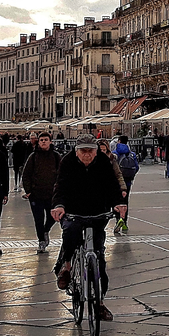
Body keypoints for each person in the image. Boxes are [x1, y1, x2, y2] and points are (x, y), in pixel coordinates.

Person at [51, 137, 126, 321]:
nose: (87, 155)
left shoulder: (103, 162)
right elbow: (60, 186)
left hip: (97, 212)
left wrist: (118, 203)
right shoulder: (67, 162)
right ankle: (67, 266)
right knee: (70, 233)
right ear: (76, 151)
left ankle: (99, 303)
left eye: (90, 151)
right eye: (83, 151)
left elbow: (112, 185)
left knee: (99, 258)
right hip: (73, 211)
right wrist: (59, 205)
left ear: (96, 151)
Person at [21, 134, 62, 253]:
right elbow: (26, 174)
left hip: (52, 194)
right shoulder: (33, 157)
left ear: (50, 142)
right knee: (38, 219)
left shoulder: (56, 156)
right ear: (38, 142)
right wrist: (28, 191)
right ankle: (41, 241)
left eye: (46, 140)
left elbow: (62, 174)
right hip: (36, 194)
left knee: (53, 216)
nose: (43, 142)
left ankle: (46, 230)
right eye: (41, 140)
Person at [113, 135, 139, 234]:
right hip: (127, 181)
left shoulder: (115, 154)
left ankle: (117, 219)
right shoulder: (131, 154)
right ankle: (124, 222)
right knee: (125, 202)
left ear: (119, 141)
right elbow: (136, 167)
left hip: (117, 182)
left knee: (116, 202)